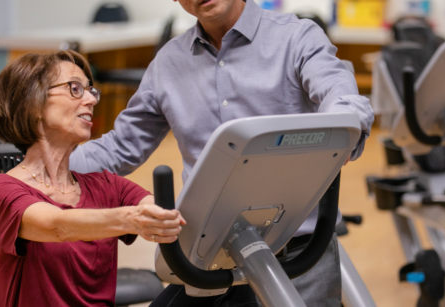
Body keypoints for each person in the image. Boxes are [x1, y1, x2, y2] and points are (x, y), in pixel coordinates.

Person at [70, 0, 375, 306]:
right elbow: (121, 145)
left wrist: (340, 128)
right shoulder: (168, 63)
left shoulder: (296, 37)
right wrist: (40, 167)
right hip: (210, 256)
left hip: (300, 251)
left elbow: (340, 93)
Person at [0, 50, 185, 307]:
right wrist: (131, 219)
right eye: (75, 88)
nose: (91, 100)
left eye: (91, 90)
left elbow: (152, 206)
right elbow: (57, 225)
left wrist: (160, 216)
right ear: (33, 104)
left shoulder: (107, 186)